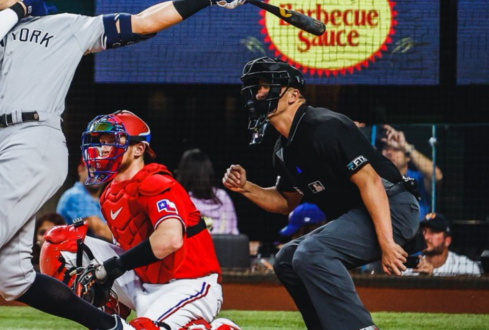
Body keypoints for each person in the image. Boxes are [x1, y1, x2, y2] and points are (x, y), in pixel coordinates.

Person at [0, 0, 248, 330]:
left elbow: (142, 23)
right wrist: (22, 10)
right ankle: (112, 328)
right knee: (12, 279)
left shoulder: (66, 26)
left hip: (32, 137)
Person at [222, 57, 420, 330]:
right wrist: (246, 187)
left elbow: (371, 183)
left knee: (311, 252)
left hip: (393, 207)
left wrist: (387, 243)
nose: (258, 94)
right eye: (256, 88)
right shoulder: (282, 149)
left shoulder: (325, 125)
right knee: (287, 259)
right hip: (358, 215)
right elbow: (285, 203)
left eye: (266, 86)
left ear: (293, 95)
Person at [41, 111, 240, 330]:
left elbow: (170, 239)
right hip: (144, 280)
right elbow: (129, 246)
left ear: (139, 149)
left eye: (113, 141)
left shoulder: (154, 181)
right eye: (101, 142)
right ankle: (105, 309)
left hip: (189, 283)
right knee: (59, 243)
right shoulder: (109, 195)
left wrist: (114, 267)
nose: (103, 148)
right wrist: (108, 283)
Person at [381, 124, 443, 220]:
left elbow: (437, 176)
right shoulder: (377, 178)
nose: (389, 152)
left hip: (415, 232)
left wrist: (404, 146)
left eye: (396, 149)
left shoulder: (417, 178)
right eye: (386, 147)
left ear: (407, 157)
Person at [175, 148, 238, 235]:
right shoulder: (222, 196)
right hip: (224, 247)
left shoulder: (180, 199)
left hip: (196, 247)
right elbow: (234, 232)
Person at [403, 213, 482, 277]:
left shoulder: (465, 267)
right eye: (423, 232)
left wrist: (431, 278)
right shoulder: (411, 268)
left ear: (447, 241)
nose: (426, 237)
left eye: (433, 232)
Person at [57, 159, 113, 241]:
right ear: (80, 170)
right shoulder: (75, 195)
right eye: (92, 168)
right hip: (74, 251)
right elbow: (100, 230)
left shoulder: (100, 201)